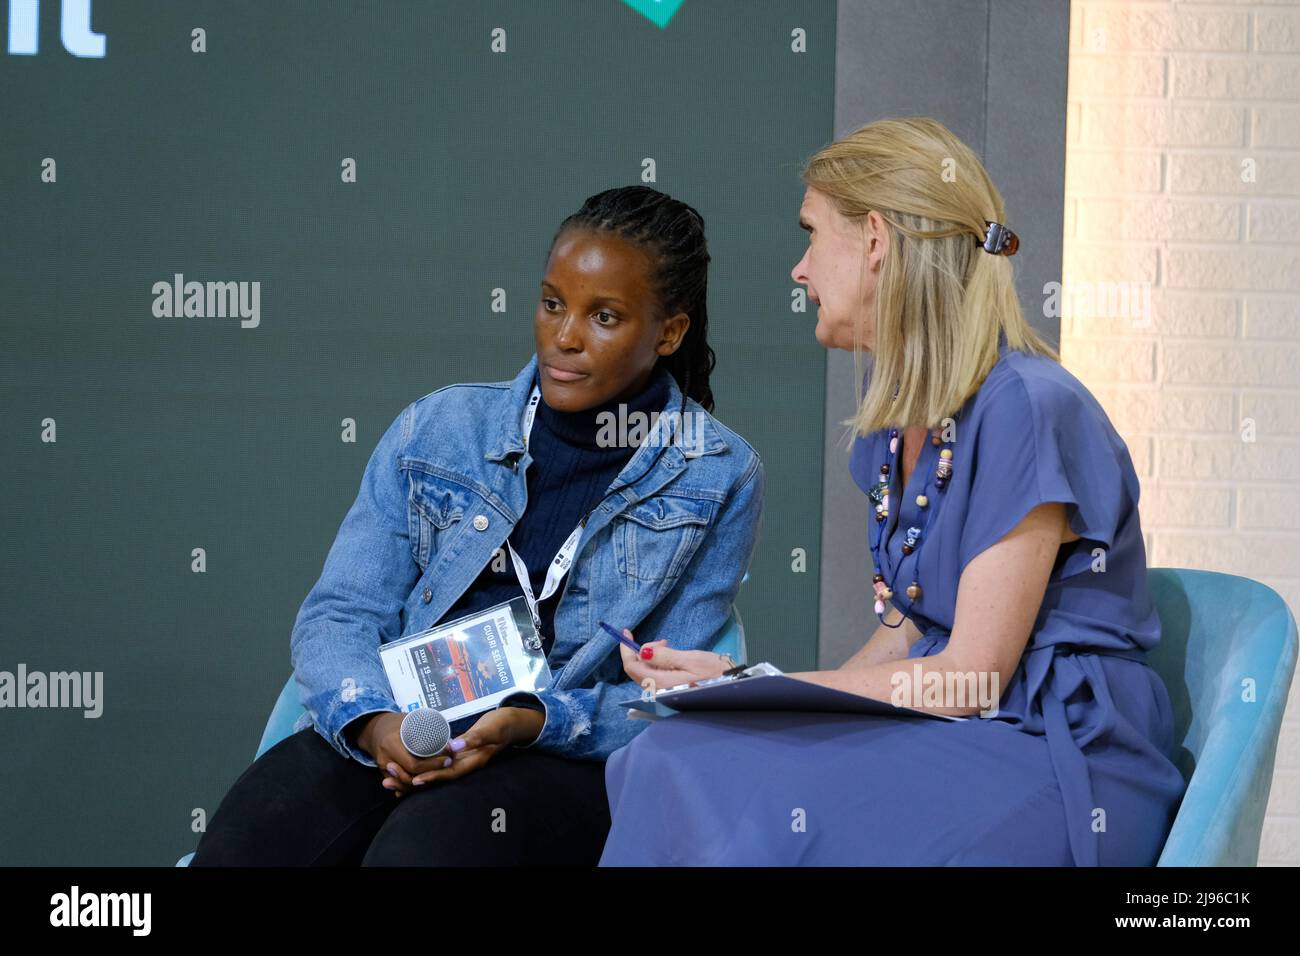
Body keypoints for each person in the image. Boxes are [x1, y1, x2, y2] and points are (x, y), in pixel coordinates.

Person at [599, 117, 1187, 867]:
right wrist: (741, 689)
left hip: (1054, 751)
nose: (799, 270)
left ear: (875, 240)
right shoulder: (903, 418)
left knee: (761, 807)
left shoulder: (1029, 408)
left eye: (812, 234)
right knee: (672, 754)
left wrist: (763, 689)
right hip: (958, 727)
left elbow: (973, 675)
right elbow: (906, 634)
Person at [191, 185, 764, 866]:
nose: (565, 336)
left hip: (555, 749)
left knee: (419, 857)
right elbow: (339, 614)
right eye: (553, 304)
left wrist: (535, 721)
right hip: (403, 719)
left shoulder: (716, 473)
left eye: (603, 316)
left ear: (668, 332)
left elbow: (670, 698)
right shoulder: (438, 430)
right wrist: (377, 725)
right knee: (243, 848)